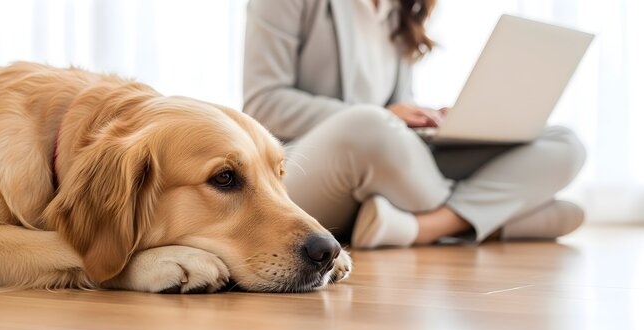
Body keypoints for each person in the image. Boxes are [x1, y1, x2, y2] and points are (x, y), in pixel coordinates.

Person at [242, 0, 586, 248]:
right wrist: (385, 114)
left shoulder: (400, 9)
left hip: (385, 160)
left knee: (565, 144)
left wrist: (426, 119)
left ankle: (422, 227)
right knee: (369, 124)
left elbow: (396, 110)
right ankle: (461, 220)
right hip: (309, 168)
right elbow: (263, 102)